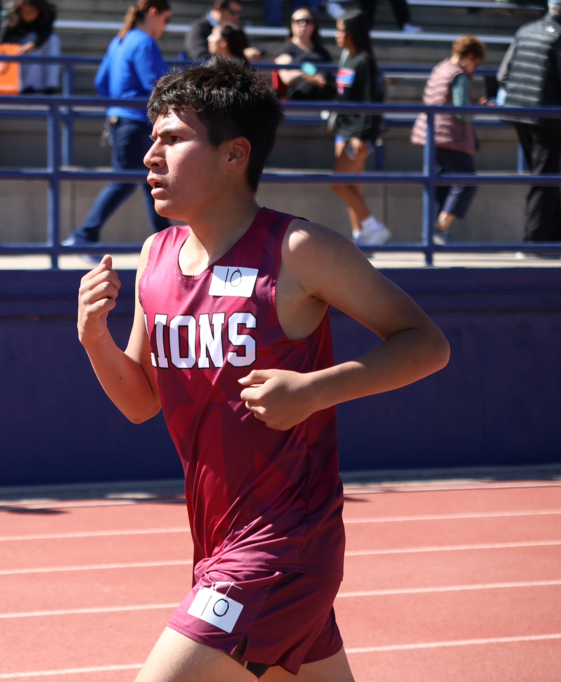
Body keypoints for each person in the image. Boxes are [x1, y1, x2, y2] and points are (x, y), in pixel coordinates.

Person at [76, 56, 450, 682]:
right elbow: (141, 401)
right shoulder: (155, 255)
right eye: (151, 140)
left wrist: (313, 389)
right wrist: (94, 338)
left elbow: (426, 343)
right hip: (219, 543)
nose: (149, 156)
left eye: (171, 138)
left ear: (234, 154)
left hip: (281, 548)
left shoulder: (299, 250)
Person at [63, 0, 172, 249]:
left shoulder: (119, 40)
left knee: (148, 182)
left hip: (119, 123)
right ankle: (84, 235)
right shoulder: (144, 42)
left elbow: (101, 82)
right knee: (126, 182)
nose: (165, 27)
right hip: (136, 124)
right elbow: (157, 86)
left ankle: (166, 241)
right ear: (153, 13)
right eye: (166, 19)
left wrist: (116, 107)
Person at [411, 35, 485, 245]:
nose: (475, 69)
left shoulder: (440, 68)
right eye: (476, 64)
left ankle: (430, 235)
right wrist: (477, 108)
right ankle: (439, 228)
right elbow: (462, 113)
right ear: (470, 56)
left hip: (430, 133)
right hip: (449, 136)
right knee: (467, 181)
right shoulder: (459, 74)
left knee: (439, 184)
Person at [498, 0, 561, 248]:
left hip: (519, 113)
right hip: (547, 117)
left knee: (544, 176)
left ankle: (552, 235)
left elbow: (503, 75)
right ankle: (535, 243)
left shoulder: (524, 30)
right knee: (545, 179)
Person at [330, 10, 389, 246]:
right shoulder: (347, 58)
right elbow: (344, 96)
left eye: (340, 30)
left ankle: (374, 227)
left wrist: (362, 136)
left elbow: (368, 102)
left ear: (352, 32)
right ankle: (361, 235)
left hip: (356, 135)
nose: (336, 35)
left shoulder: (364, 61)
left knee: (337, 183)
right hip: (343, 131)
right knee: (353, 187)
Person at [0, 0, 60, 94]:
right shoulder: (12, 11)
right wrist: (9, 27)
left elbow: (46, 33)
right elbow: (0, 41)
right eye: (24, 11)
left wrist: (34, 45)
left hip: (37, 44)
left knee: (52, 40)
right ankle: (29, 85)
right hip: (17, 47)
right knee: (32, 41)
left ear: (39, 9)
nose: (27, 15)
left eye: (31, 11)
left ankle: (50, 85)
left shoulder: (48, 11)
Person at [274, 7, 335, 100]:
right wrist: (310, 72)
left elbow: (332, 78)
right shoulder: (286, 50)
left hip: (323, 98)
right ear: (291, 24)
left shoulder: (323, 52)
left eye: (308, 21)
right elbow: (287, 78)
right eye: (298, 21)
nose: (303, 24)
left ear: (314, 25)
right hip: (300, 99)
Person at [184, 1, 261, 63]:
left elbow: (244, 51)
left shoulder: (235, 28)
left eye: (239, 12)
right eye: (233, 12)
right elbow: (200, 58)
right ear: (218, 7)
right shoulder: (198, 27)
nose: (237, 17)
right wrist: (232, 58)